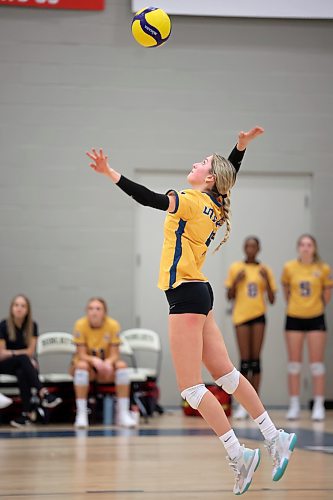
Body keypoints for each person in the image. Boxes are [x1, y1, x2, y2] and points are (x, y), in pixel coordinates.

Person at [86, 127, 297, 496]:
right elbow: (226, 177)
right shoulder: (215, 204)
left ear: (209, 177)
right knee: (227, 376)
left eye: (202, 163)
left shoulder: (190, 200)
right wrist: (240, 149)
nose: (195, 164)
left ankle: (238, 454)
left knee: (191, 388)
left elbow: (149, 197)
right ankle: (273, 436)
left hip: (185, 295)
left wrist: (110, 174)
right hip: (199, 293)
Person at [282, 234, 332, 421]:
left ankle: (318, 405)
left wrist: (313, 307)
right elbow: (287, 292)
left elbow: (327, 295)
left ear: (314, 248)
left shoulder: (322, 268)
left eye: (309, 244)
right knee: (294, 364)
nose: (305, 248)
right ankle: (294, 405)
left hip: (316, 318)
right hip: (294, 318)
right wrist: (298, 306)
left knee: (316, 365)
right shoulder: (289, 268)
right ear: (298, 248)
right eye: (302, 244)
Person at [225, 237, 276, 420]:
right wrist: (237, 281)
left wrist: (267, 282)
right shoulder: (236, 268)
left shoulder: (264, 270)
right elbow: (229, 295)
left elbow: (272, 299)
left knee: (256, 361)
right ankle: (242, 403)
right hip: (241, 317)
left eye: (254, 246)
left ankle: (255, 402)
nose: (250, 249)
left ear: (259, 249)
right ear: (244, 248)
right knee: (245, 361)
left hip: (259, 317)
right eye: (247, 246)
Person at [71, 297, 137, 428]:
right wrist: (94, 360)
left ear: (104, 312)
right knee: (82, 366)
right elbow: (81, 354)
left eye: (98, 309)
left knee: (122, 366)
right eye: (90, 309)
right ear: (86, 311)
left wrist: (108, 362)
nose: (94, 312)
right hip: (87, 365)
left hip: (106, 366)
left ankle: (123, 413)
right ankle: (82, 414)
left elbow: (115, 354)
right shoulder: (80, 325)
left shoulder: (113, 325)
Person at [0, 295, 62, 427]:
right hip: (4, 364)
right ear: (11, 308)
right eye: (16, 305)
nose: (19, 308)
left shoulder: (32, 326)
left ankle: (25, 414)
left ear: (27, 310)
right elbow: (2, 353)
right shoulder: (3, 325)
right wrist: (20, 355)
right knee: (24, 360)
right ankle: (43, 393)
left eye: (23, 306)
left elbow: (31, 352)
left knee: (23, 371)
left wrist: (23, 356)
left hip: (21, 366)